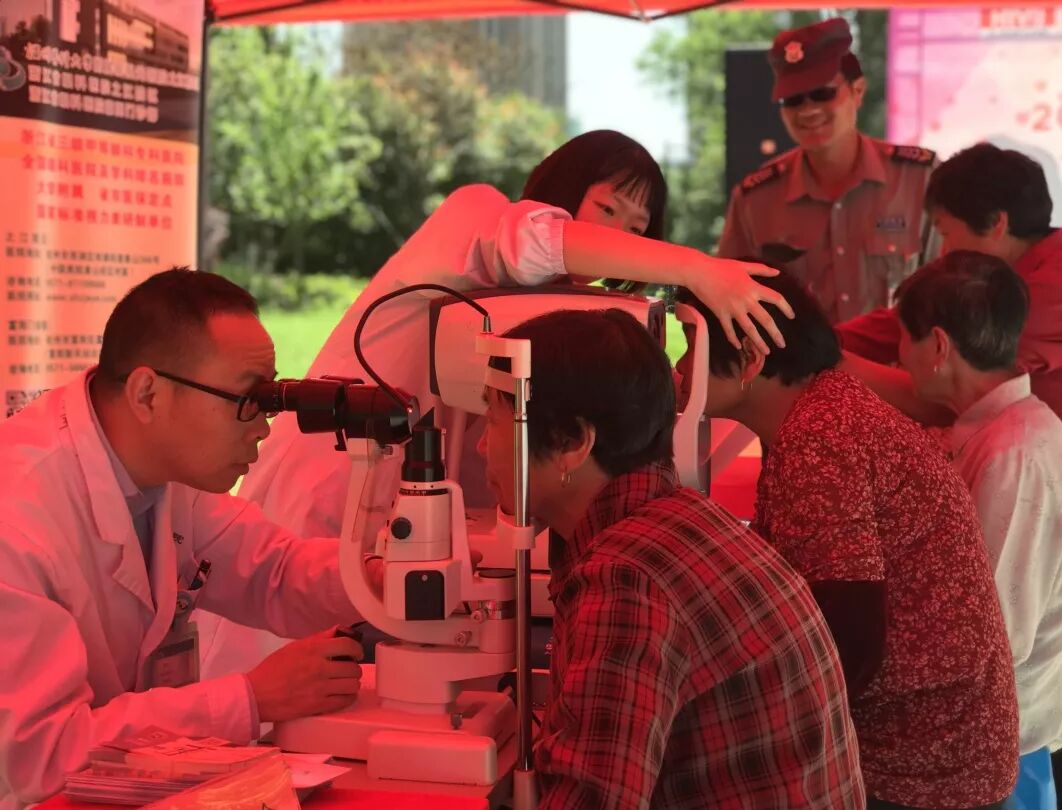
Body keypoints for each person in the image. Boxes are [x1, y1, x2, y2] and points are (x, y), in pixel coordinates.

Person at [202, 129, 794, 680]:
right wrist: (697, 269)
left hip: (415, 524)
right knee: (273, 683)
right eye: (607, 209)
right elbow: (539, 243)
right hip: (334, 483)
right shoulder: (477, 215)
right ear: (561, 186)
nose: (619, 237)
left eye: (636, 229)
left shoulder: (552, 317)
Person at [0, 269, 366, 809]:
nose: (264, 427)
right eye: (246, 399)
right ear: (147, 393)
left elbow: (274, 574)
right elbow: (43, 755)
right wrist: (250, 698)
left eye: (267, 399)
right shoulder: (17, 517)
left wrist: (382, 576)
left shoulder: (161, 470)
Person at [479, 308, 864, 809]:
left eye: (493, 420)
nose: (482, 445)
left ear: (573, 442)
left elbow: (590, 801)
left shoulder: (626, 578)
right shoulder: (680, 524)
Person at [676, 270, 1019, 809]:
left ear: (750, 359)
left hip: (921, 768)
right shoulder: (823, 410)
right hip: (943, 747)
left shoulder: (821, 436)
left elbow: (847, 637)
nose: (678, 369)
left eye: (690, 347)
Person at [894, 252, 1062, 810]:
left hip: (1001, 756)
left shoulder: (1013, 454)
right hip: (990, 745)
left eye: (903, 338)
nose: (898, 355)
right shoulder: (998, 431)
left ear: (938, 346)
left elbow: (991, 638)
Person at [838, 142, 1062, 449]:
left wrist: (833, 361)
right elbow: (910, 320)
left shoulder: (1056, 294)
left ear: (995, 223)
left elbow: (945, 394)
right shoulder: (996, 281)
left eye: (946, 234)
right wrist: (822, 339)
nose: (943, 251)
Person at [717, 17, 940, 323]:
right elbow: (726, 304)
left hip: (897, 356)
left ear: (858, 91)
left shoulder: (919, 180)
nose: (808, 110)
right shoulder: (755, 200)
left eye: (822, 93)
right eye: (793, 99)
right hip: (801, 357)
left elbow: (957, 292)